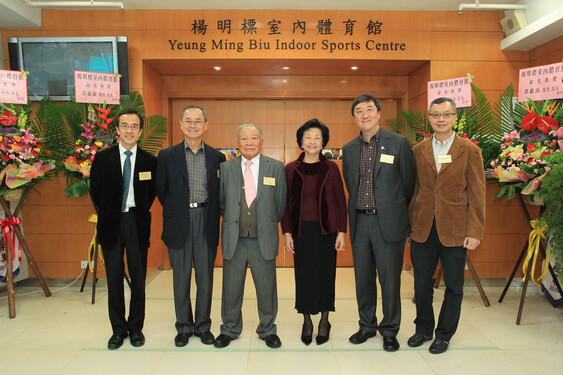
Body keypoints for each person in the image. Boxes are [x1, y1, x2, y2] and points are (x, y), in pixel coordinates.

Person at [407, 97, 486, 354]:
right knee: (421, 284)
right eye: (436, 114)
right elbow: (412, 191)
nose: (441, 119)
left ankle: (444, 334)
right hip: (422, 227)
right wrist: (408, 227)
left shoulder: (469, 150)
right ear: (429, 118)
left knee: (454, 286)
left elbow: (477, 193)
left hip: (455, 229)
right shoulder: (418, 150)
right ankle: (423, 329)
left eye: (446, 114)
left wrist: (474, 230)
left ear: (454, 118)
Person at [342, 94, 415, 352]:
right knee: (363, 279)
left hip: (389, 224)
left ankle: (390, 329)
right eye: (359, 111)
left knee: (390, 280)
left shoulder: (398, 143)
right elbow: (351, 185)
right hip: (360, 222)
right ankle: (366, 325)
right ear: (354, 118)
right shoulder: (349, 149)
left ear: (379, 113)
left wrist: (401, 219)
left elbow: (408, 185)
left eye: (369, 109)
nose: (365, 114)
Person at [156, 105, 225, 347]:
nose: (193, 125)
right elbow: (162, 191)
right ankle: (184, 327)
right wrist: (179, 210)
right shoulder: (166, 156)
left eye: (198, 121)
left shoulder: (218, 157)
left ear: (205, 125)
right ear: (181, 124)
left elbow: (220, 193)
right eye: (188, 121)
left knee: (205, 277)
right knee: (181, 277)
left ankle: (203, 326)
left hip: (206, 221)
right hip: (179, 222)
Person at [214, 123, 287, 349]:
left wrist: (264, 221)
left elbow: (280, 204)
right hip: (234, 239)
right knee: (231, 288)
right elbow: (222, 202)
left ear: (261, 141)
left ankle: (267, 329)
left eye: (253, 138)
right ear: (237, 142)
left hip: (262, 239)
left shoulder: (275, 167)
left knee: (266, 288)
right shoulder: (226, 168)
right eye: (243, 138)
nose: (248, 142)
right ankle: (229, 329)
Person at [90, 108, 157, 350]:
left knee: (138, 279)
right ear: (117, 130)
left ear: (140, 131)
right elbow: (95, 192)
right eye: (125, 125)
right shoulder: (102, 159)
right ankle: (118, 330)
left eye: (134, 126)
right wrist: (112, 211)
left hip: (137, 224)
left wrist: (133, 211)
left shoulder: (150, 161)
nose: (130, 130)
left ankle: (136, 328)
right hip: (111, 224)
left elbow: (150, 195)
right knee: (114, 279)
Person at [281, 119, 347, 345]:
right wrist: (287, 233)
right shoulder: (290, 169)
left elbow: (340, 199)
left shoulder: (331, 168)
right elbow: (285, 204)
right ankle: (307, 320)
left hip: (327, 230)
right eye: (307, 137)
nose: (312, 141)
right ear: (301, 141)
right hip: (300, 232)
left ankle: (325, 320)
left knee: (326, 275)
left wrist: (341, 232)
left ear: (323, 142)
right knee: (304, 276)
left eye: (317, 137)